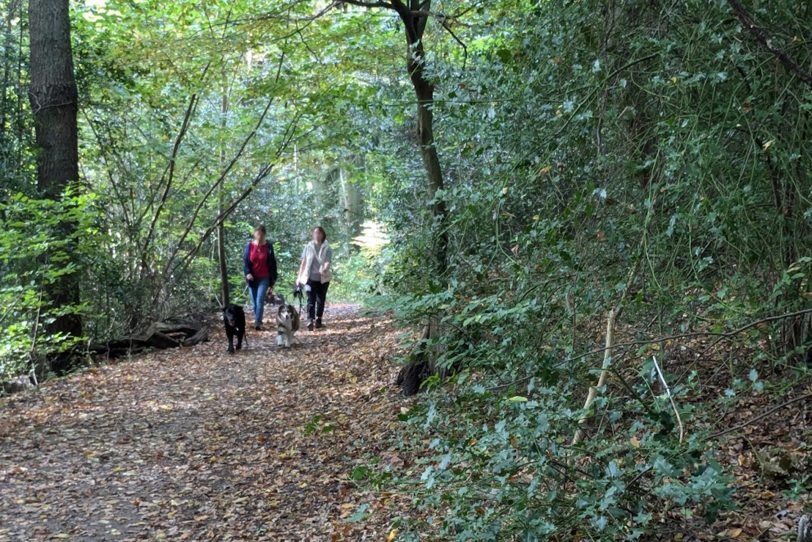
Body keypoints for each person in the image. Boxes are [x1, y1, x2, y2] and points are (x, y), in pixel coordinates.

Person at [297, 226, 332, 331]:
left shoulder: (327, 247)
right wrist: (299, 277)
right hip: (309, 278)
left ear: (322, 235)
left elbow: (327, 261)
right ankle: (310, 320)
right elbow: (303, 262)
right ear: (313, 234)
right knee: (310, 299)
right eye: (315, 233)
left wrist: (325, 269)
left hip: (323, 278)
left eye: (319, 233)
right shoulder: (308, 247)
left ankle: (319, 319)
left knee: (321, 300)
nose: (317, 235)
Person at [243, 225, 277, 330]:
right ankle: (258, 319)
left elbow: (273, 263)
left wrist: (273, 279)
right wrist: (247, 273)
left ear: (264, 234)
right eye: (258, 233)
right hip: (252, 278)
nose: (260, 236)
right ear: (255, 234)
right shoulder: (249, 246)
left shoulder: (268, 246)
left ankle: (258, 323)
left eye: (262, 234)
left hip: (264, 277)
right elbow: (246, 262)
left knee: (259, 300)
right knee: (254, 302)